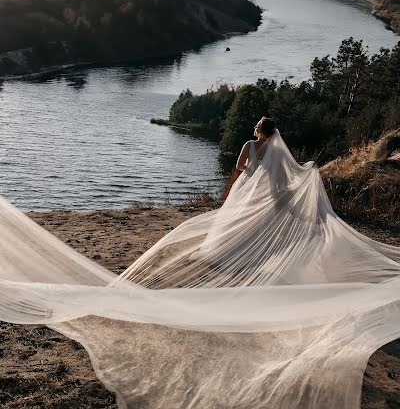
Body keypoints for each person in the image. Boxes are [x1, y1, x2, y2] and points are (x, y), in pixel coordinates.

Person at [1, 121, 400, 408]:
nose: (259, 134)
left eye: (259, 129)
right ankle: (237, 251)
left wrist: (232, 189)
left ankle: (227, 251)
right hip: (261, 194)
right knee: (243, 231)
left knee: (228, 227)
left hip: (247, 192)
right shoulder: (278, 151)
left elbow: (241, 169)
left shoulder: (250, 145)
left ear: (260, 132)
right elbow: (280, 179)